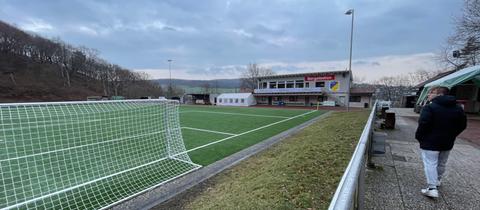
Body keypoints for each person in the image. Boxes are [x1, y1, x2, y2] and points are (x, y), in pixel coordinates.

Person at [415, 86, 467, 198]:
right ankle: (437, 181)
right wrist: (452, 135)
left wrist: (419, 137)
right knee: (442, 162)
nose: (428, 95)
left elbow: (423, 123)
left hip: (430, 141)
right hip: (447, 141)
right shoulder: (458, 108)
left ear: (440, 94)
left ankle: (432, 188)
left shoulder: (430, 107)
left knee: (430, 163)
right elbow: (463, 125)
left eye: (431, 92)